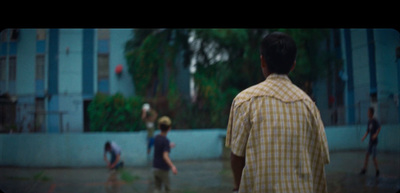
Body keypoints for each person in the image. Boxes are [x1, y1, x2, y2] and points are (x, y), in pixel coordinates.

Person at [225, 32, 330, 193]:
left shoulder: (244, 101)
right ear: (293, 65)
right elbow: (319, 158)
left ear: (262, 61)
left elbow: (236, 157)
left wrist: (238, 187)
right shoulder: (309, 106)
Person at [153, 116, 177, 193]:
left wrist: (169, 145)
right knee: (168, 189)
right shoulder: (166, 141)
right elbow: (165, 156)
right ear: (169, 128)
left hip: (155, 168)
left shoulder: (156, 138)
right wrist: (172, 166)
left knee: (157, 189)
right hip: (163, 169)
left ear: (159, 127)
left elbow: (160, 145)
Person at [360, 107, 382, 177]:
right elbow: (368, 131)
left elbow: (379, 128)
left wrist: (375, 134)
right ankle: (364, 169)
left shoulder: (375, 121)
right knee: (367, 155)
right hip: (370, 142)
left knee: (374, 157)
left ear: (371, 113)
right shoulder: (369, 121)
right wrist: (364, 137)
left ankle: (377, 170)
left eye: (368, 112)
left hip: (374, 142)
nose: (367, 113)